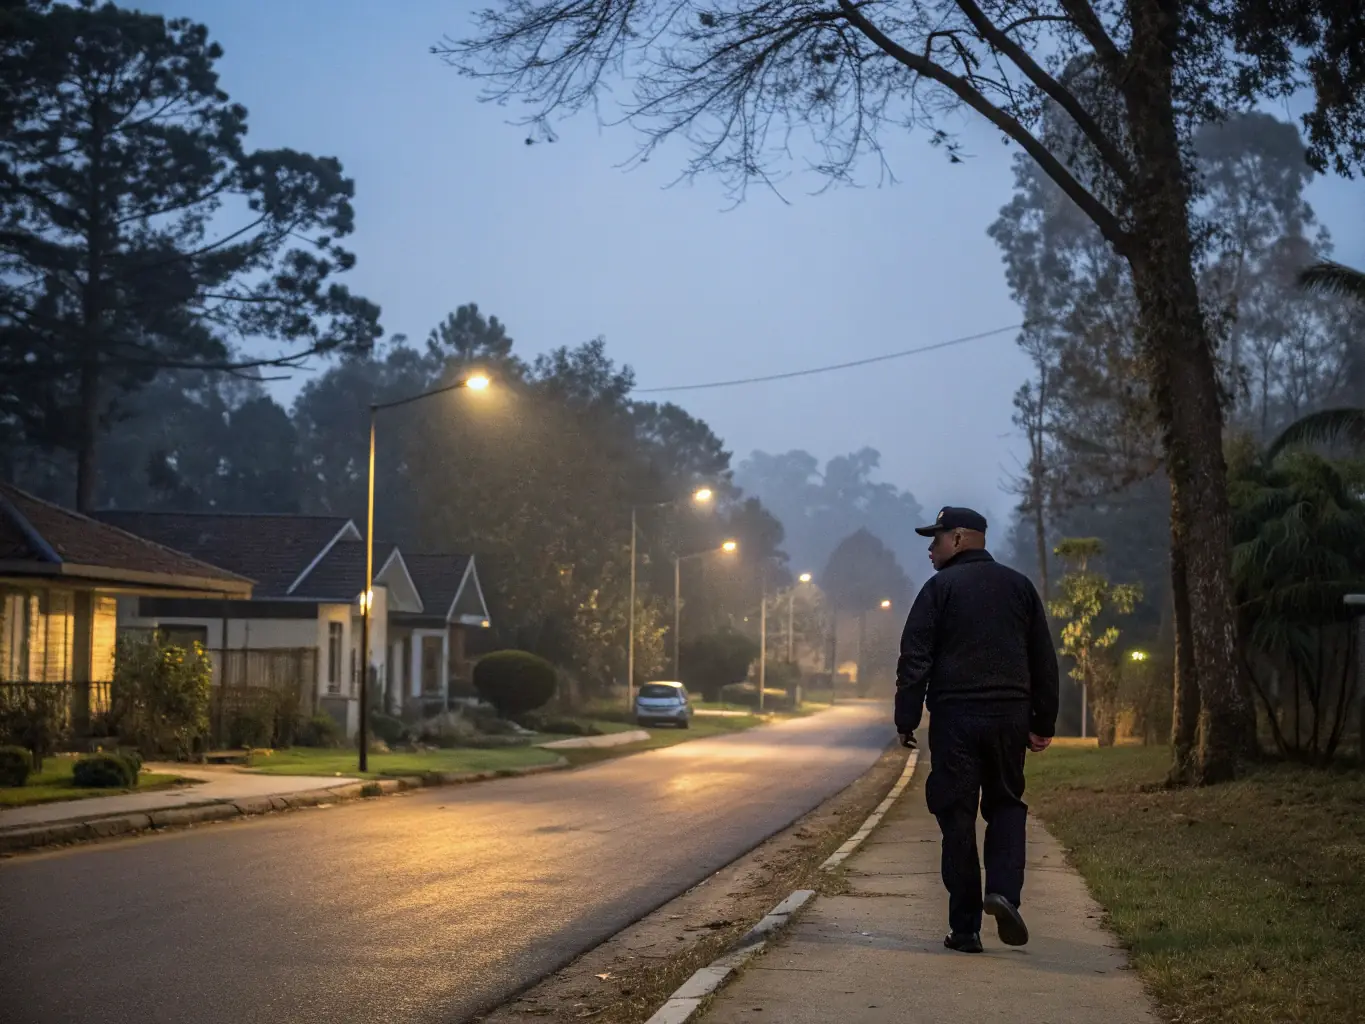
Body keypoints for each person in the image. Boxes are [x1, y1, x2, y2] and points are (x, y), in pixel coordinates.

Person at [894, 505, 1059, 954]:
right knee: (1006, 803)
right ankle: (1004, 892)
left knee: (957, 816)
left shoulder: (938, 589)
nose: (930, 549)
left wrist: (906, 718)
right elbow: (1043, 658)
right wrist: (1043, 721)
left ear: (961, 539)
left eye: (937, 538)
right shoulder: (1019, 588)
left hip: (956, 720)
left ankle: (965, 929)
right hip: (1010, 718)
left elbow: (915, 659)